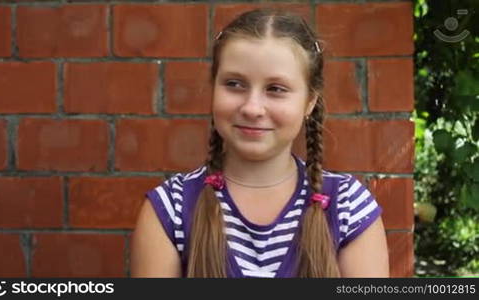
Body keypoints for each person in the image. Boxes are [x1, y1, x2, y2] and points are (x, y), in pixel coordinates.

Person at [131, 8, 389, 278]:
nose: (252, 108)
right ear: (213, 88)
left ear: (310, 101)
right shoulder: (171, 209)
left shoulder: (348, 206)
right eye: (234, 83)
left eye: (275, 89)